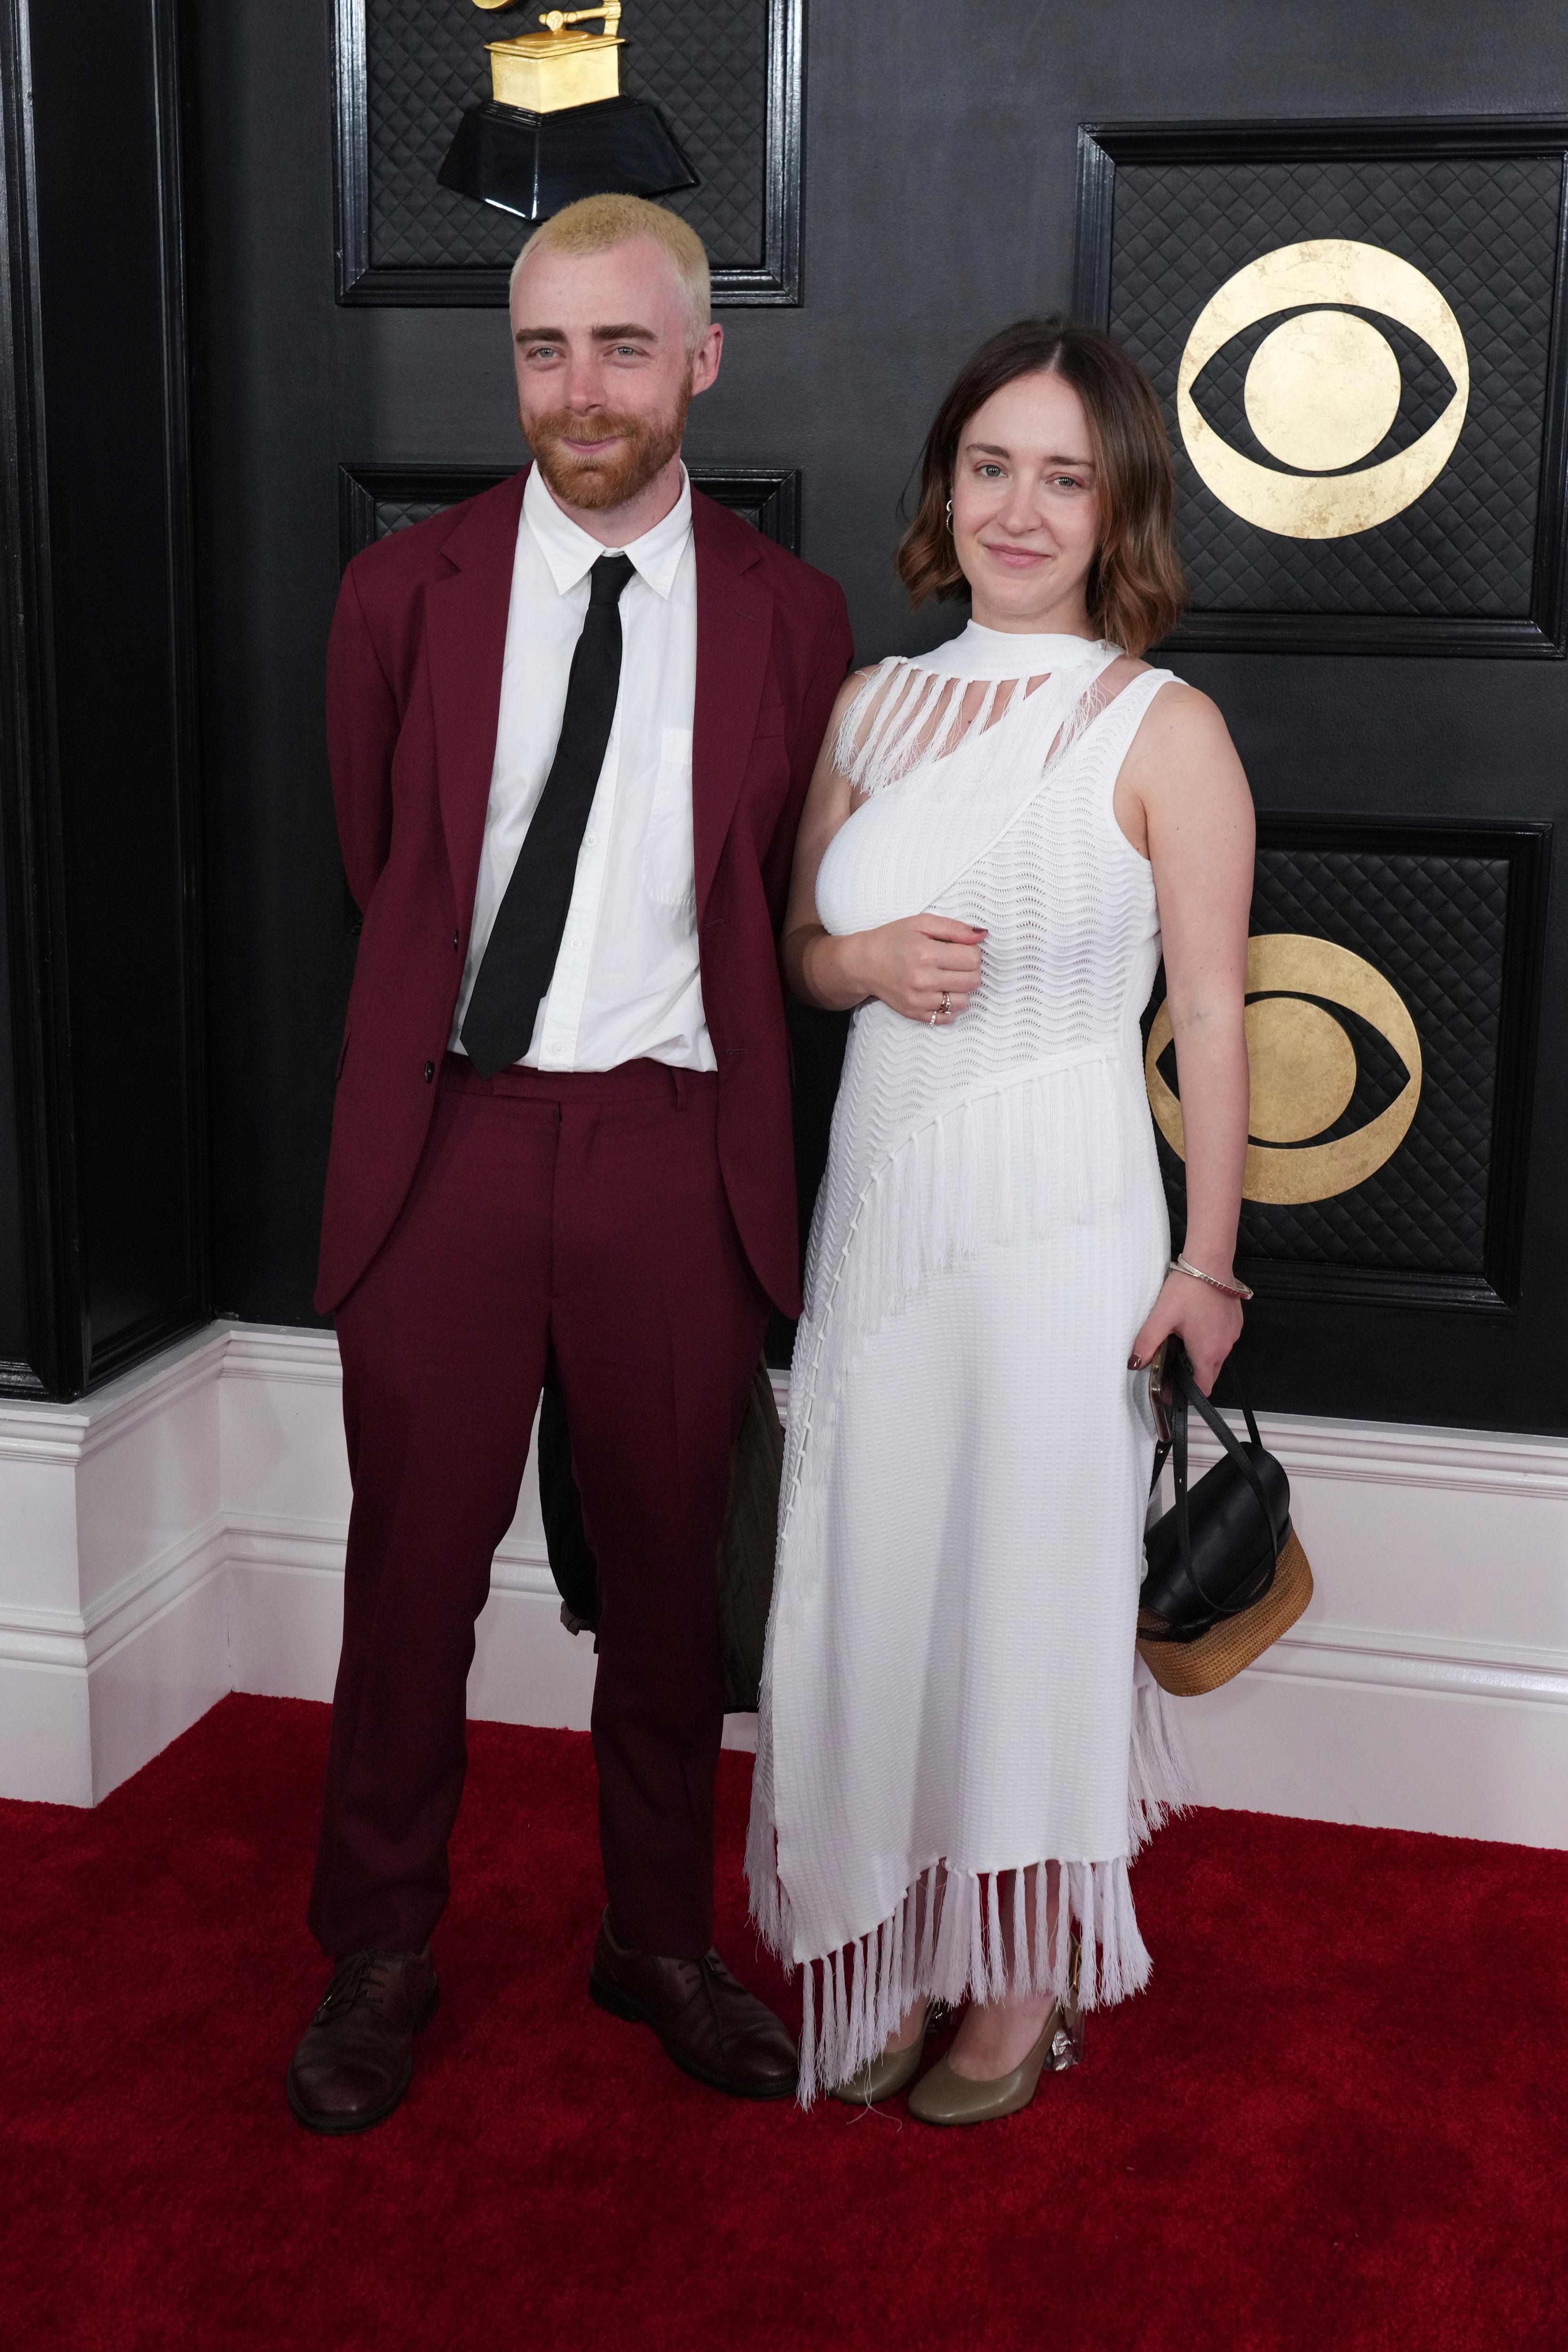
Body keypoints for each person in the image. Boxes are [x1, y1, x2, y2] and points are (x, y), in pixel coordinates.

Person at [287, 194, 852, 2132]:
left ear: (700, 359)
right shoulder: (403, 597)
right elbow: (388, 868)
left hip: (672, 1145)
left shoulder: (792, 615)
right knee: (410, 1579)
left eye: (623, 347)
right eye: (545, 348)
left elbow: (775, 891)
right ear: (512, 361)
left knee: (676, 1588)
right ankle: (380, 1945)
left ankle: (656, 1939)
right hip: (448, 1136)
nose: (581, 389)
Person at [746, 317, 1254, 2118]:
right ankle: (890, 1938)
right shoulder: (873, 706)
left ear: (1113, 504)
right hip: (881, 1223)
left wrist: (1208, 1261)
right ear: (944, 485)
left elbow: (1208, 1013)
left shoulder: (1163, 725)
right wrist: (863, 960)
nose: (1021, 511)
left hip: (1063, 1229)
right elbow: (804, 957)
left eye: (1063, 475)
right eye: (991, 467)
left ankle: (1023, 1978)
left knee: (1027, 1585)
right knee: (881, 1573)